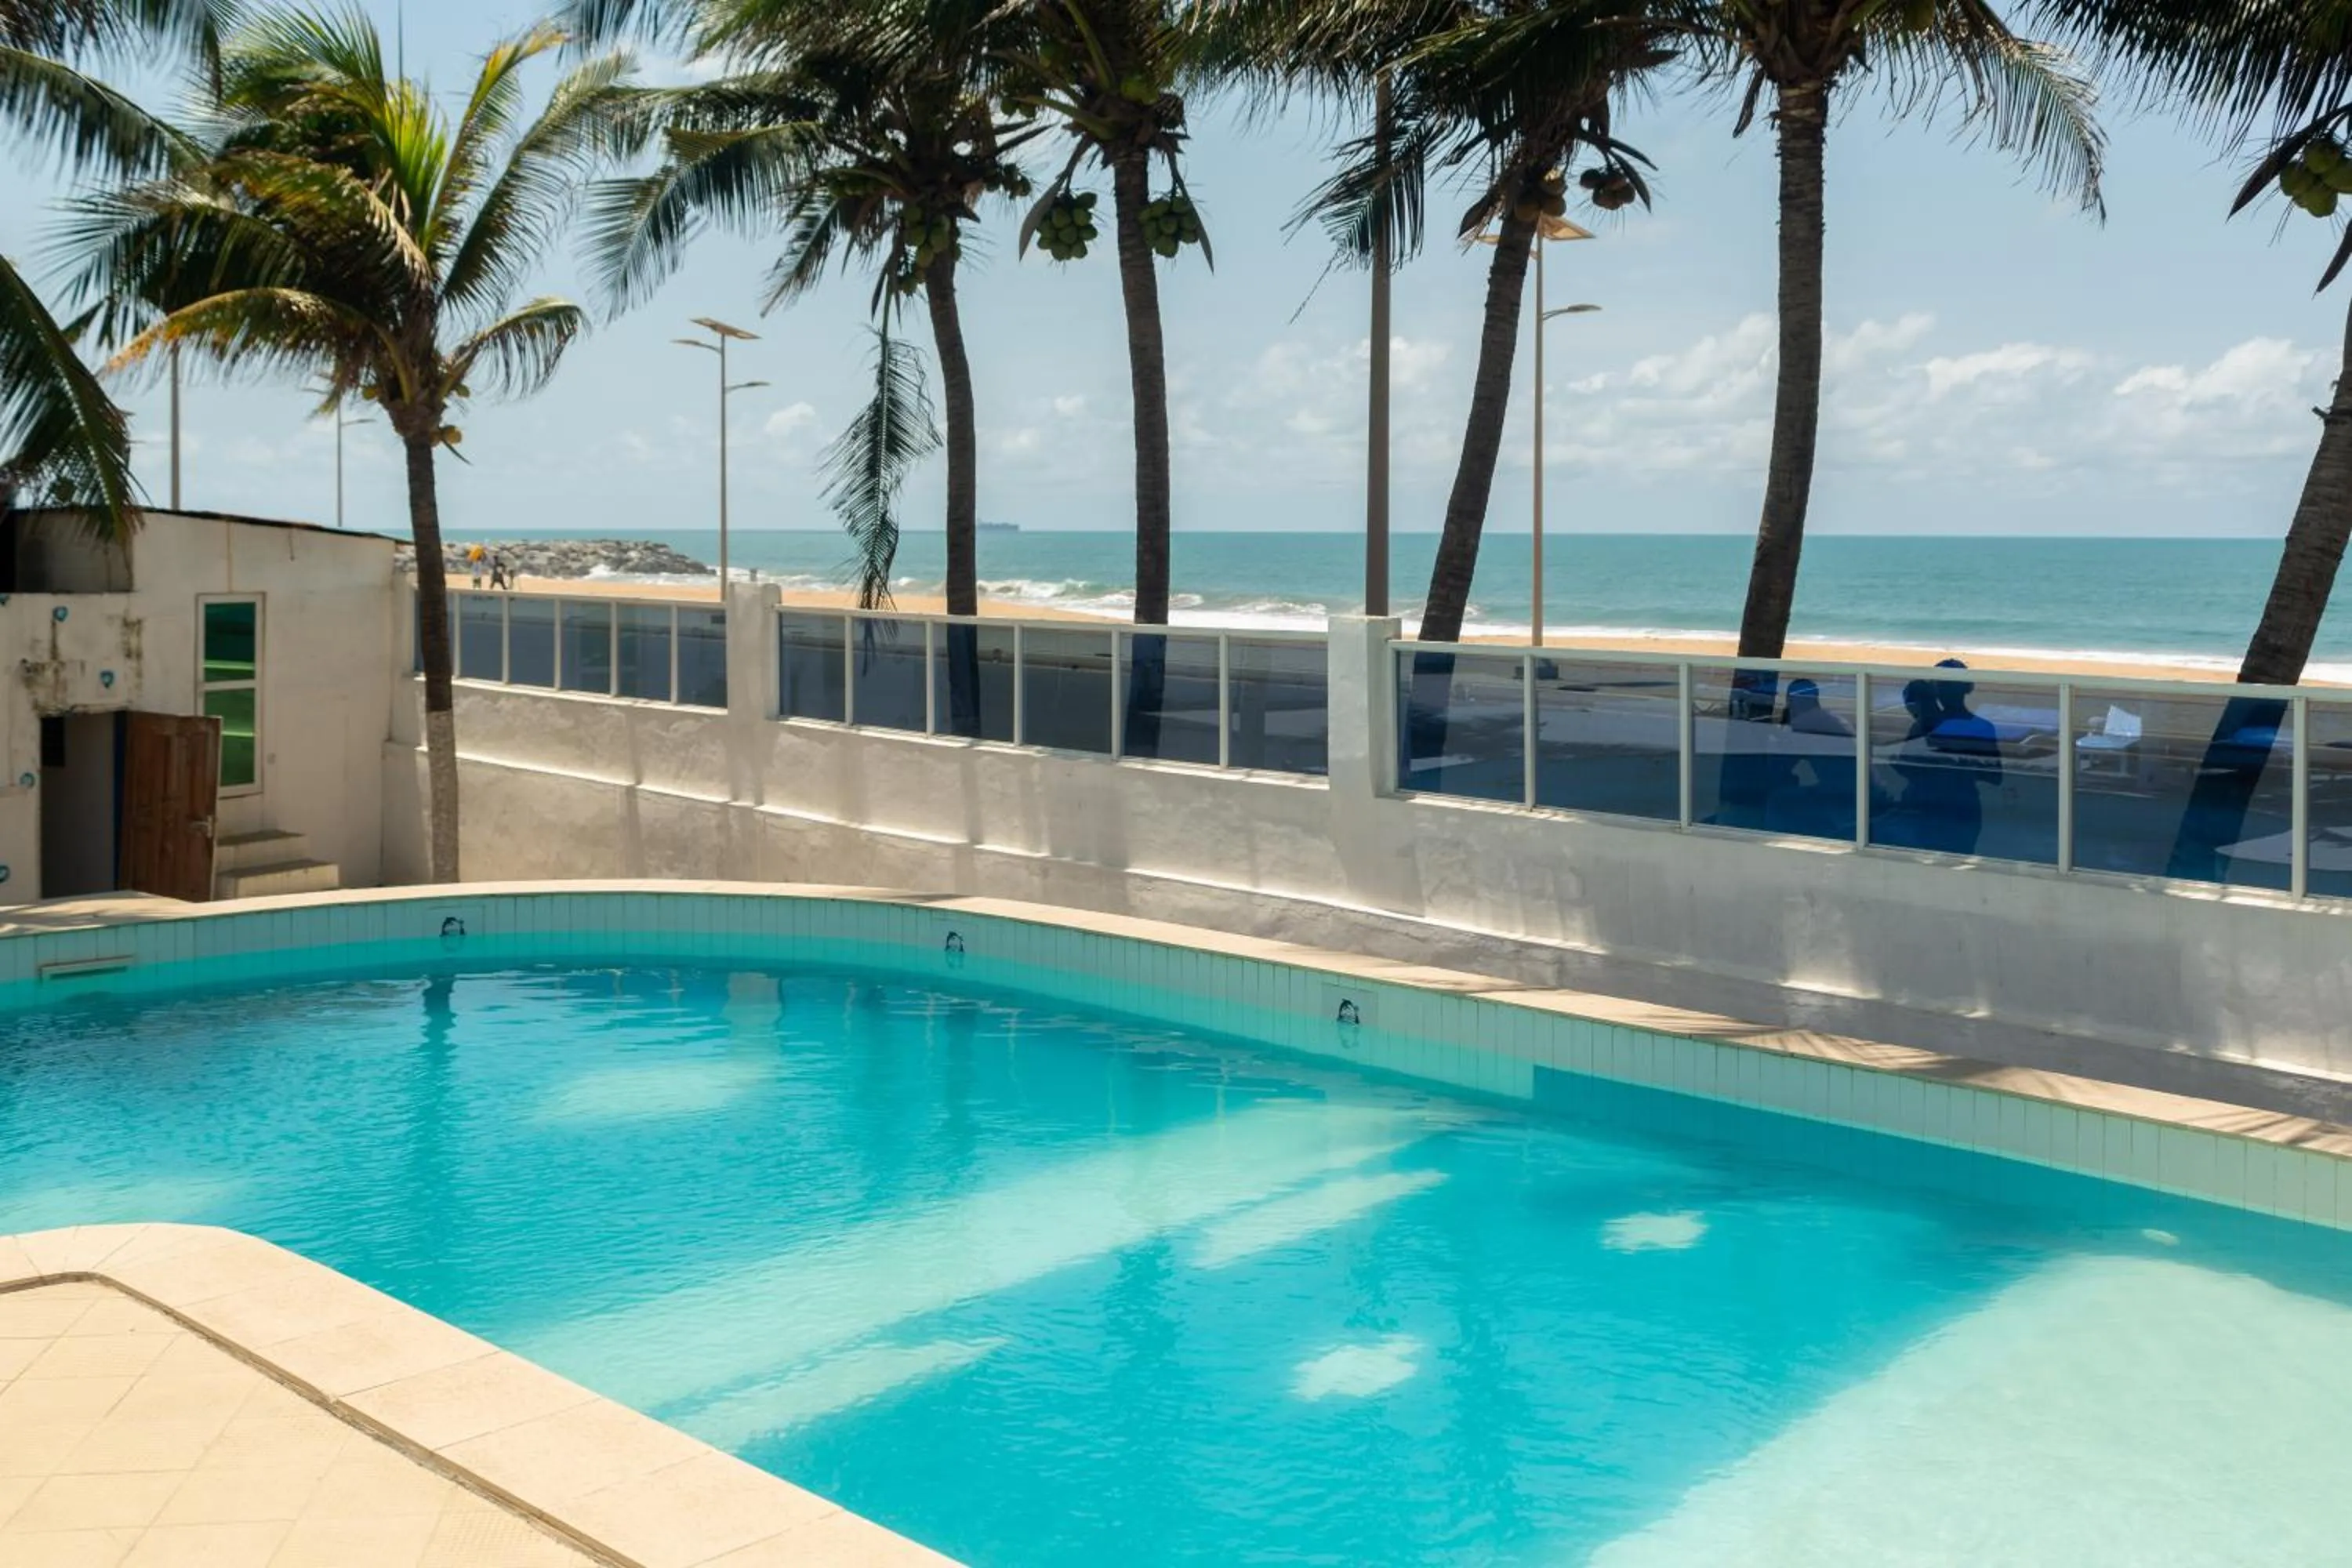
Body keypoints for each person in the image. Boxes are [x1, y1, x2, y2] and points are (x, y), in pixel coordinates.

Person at [1886, 658, 2002, 853]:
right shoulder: (1982, 727)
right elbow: (1995, 776)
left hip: (1928, 806)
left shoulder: (1923, 725)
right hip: (1963, 807)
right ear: (1968, 688)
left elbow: (1907, 768)